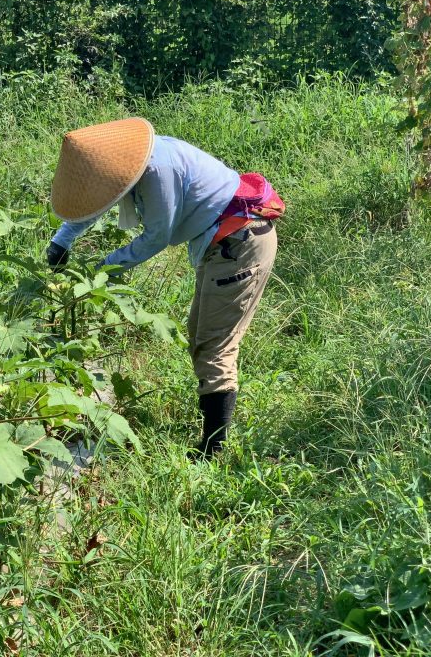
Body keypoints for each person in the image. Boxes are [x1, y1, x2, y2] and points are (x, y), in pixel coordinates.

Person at [45, 118, 284, 458]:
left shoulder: (158, 170)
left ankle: (214, 450)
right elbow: (103, 197)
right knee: (201, 337)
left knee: (215, 344)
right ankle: (213, 435)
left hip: (240, 242)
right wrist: (61, 241)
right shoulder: (135, 162)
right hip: (224, 242)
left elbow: (157, 236)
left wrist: (99, 271)